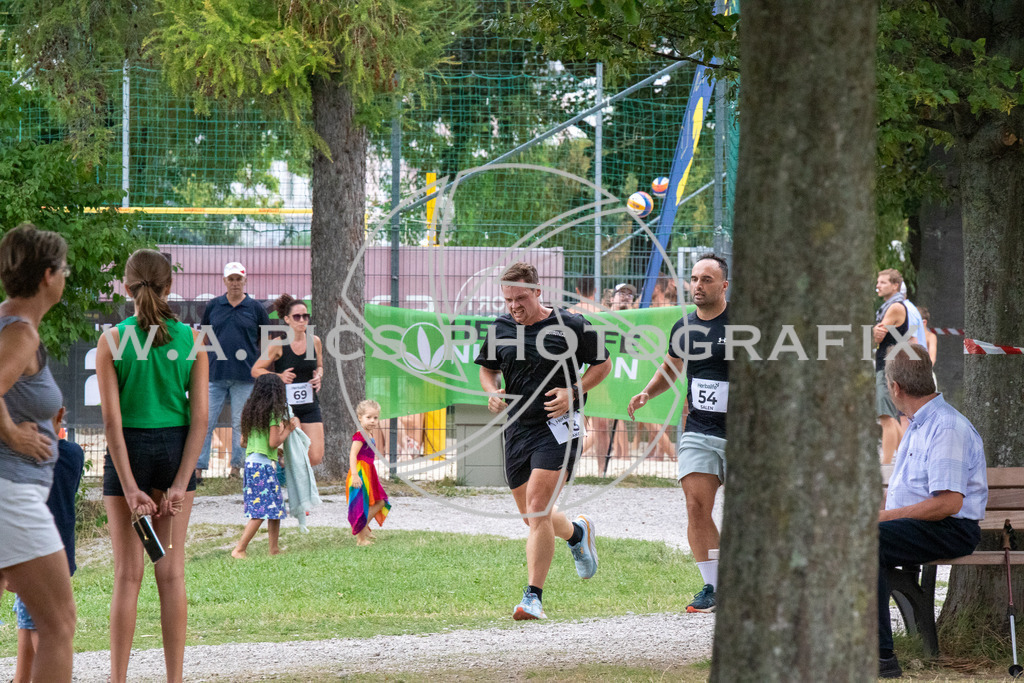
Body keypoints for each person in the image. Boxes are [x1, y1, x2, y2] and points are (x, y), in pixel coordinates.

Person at [96, 248, 209, 683]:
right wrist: (181, 481)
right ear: (169, 287)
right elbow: (200, 418)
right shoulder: (193, 340)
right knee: (172, 573)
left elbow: (111, 421)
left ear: (125, 288)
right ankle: (174, 679)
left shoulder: (112, 341)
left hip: (130, 451)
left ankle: (118, 679)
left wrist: (127, 486)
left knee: (128, 575)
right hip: (176, 449)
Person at [475, 261, 611, 620]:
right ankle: (577, 533)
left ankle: (533, 597)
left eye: (521, 298)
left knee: (537, 508)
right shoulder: (501, 326)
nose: (514, 306)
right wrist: (491, 392)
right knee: (534, 516)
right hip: (518, 428)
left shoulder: (572, 324)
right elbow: (487, 368)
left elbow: (602, 364)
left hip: (559, 427)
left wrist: (573, 391)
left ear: (538, 292)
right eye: (507, 300)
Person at [877, 344, 987, 679]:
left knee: (865, 542)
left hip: (950, 528)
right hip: (924, 525)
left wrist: (880, 520)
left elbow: (948, 503)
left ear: (896, 388)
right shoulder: (919, 423)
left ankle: (880, 658)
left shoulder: (946, 426)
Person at [627, 253, 730, 613]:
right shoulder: (685, 327)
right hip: (700, 429)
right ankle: (715, 587)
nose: (698, 286)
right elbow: (672, 366)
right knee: (695, 506)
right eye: (694, 279)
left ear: (724, 285)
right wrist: (647, 392)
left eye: (707, 279)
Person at [0, 224, 76, 681]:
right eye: (63, 268)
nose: (65, 276)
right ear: (48, 275)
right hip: (12, 494)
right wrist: (12, 434)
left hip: (16, 491)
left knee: (52, 623)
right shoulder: (20, 332)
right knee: (58, 625)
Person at [13, 406, 84, 682]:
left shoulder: (19, 462)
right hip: (60, 558)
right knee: (27, 618)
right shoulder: (73, 455)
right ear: (61, 416)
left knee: (40, 627)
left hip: (28, 558)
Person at [197, 261, 272, 481]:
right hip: (215, 374)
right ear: (224, 281)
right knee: (205, 422)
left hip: (245, 376)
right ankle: (198, 470)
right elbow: (205, 338)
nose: (235, 283)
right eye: (231, 279)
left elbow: (265, 340)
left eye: (239, 279)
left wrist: (260, 368)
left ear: (245, 280)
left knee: (241, 424)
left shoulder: (256, 308)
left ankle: (236, 470)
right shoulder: (213, 306)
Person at [231, 374, 301, 558]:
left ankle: (274, 549)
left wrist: (272, 452)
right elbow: (273, 442)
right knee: (261, 511)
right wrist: (288, 429)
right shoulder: (272, 414)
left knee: (275, 509)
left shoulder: (250, 412)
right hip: (262, 468)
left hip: (252, 464)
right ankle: (239, 549)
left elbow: (244, 442)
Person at [251, 293, 325, 466]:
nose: (302, 320)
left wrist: (319, 375)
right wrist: (279, 376)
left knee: (315, 457)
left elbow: (320, 365)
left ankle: (284, 466)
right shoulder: (278, 344)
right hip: (285, 406)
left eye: (305, 316)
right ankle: (284, 470)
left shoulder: (314, 341)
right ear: (287, 319)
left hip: (310, 404)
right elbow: (256, 370)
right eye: (297, 316)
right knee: (298, 447)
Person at [873, 269, 909, 465]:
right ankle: (907, 462)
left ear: (895, 285)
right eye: (878, 282)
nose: (878, 285)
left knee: (885, 417)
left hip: (888, 365)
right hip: (889, 364)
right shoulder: (890, 306)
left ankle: (886, 467)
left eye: (883, 282)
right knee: (891, 417)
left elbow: (877, 336)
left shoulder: (895, 307)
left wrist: (871, 331)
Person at [347, 400, 392, 546]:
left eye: (375, 418)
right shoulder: (360, 434)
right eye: (368, 417)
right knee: (361, 504)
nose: (372, 421)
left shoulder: (368, 432)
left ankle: (364, 527)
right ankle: (361, 539)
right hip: (360, 472)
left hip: (369, 471)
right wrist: (355, 475)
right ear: (360, 417)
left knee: (380, 501)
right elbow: (353, 455)